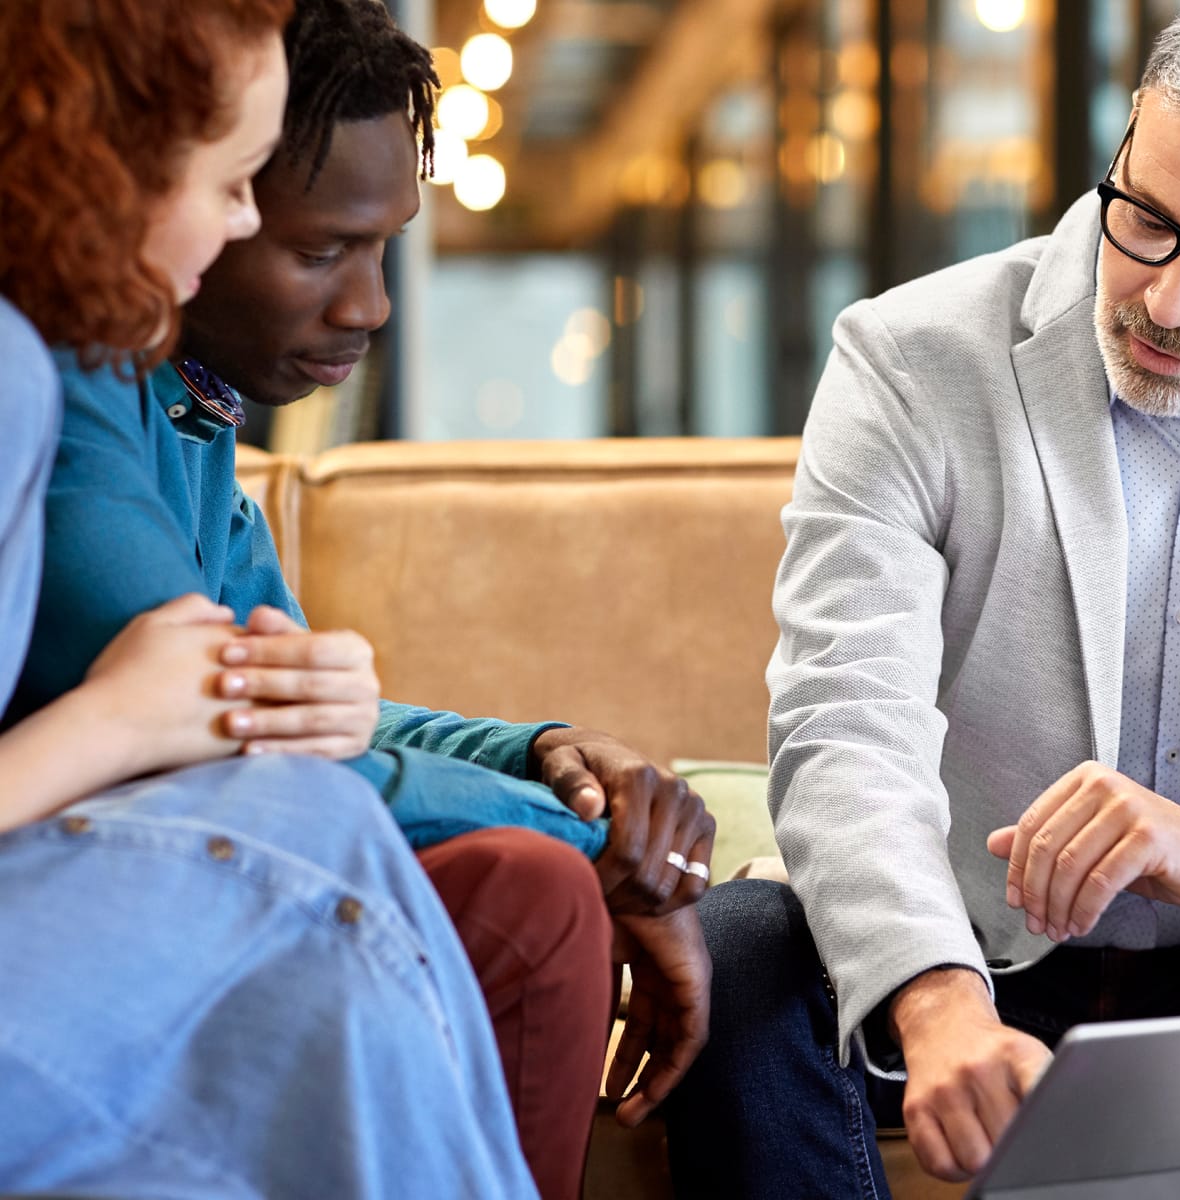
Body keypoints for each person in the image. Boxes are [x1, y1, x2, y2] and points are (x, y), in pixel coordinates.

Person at [662, 2, 1180, 1198]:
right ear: (1128, 139)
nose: (1169, 304)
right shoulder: (909, 360)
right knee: (739, 956)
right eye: (1150, 222)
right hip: (980, 957)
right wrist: (933, 1000)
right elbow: (844, 723)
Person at [9, 1, 713, 1195]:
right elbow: (236, 742)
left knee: (519, 885)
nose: (373, 305)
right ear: (126, 165)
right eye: (313, 240)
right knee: (466, 868)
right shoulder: (59, 389)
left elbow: (295, 718)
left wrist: (539, 757)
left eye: (385, 246)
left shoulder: (182, 403)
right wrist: (610, 841)